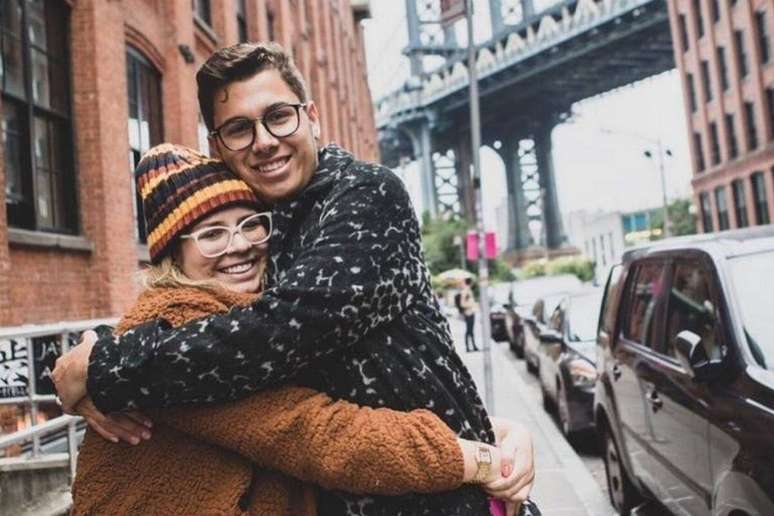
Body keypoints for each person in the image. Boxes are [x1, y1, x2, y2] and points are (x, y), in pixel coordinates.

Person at [53, 42, 537, 515]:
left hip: (441, 502)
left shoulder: (365, 194)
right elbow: (293, 408)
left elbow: (280, 333)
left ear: (311, 116)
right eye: (239, 129)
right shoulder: (272, 220)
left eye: (278, 116)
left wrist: (100, 367)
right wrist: (93, 354)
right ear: (217, 147)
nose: (264, 140)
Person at [460, 277, 480, 352]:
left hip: (471, 312)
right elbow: (462, 304)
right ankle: (468, 347)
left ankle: (473, 346)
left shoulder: (469, 291)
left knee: (471, 331)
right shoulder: (465, 292)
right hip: (468, 313)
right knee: (468, 331)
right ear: (470, 283)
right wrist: (471, 305)